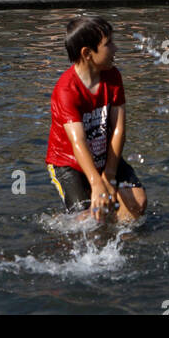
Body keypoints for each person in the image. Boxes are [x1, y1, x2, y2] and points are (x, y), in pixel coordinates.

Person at [47, 16, 147, 222]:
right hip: (69, 164)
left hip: (103, 156)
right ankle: (61, 227)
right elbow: (78, 142)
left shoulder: (113, 76)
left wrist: (109, 174)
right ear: (87, 53)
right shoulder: (66, 90)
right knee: (90, 219)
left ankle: (121, 239)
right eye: (108, 43)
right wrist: (96, 182)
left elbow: (119, 129)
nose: (116, 48)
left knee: (138, 202)